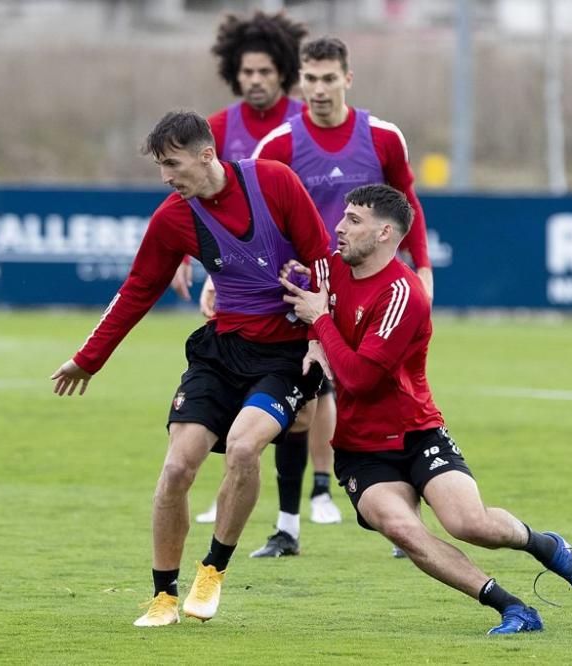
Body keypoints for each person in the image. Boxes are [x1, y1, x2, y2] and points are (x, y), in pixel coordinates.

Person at [280, 183, 572, 634]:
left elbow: (359, 378)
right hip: (358, 448)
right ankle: (513, 608)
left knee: (471, 524)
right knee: (402, 529)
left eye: (354, 220)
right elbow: (292, 283)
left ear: (385, 234)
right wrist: (307, 327)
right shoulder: (328, 270)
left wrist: (320, 322)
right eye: (343, 216)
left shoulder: (403, 294)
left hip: (415, 432)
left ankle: (546, 546)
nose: (339, 226)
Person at [51, 111, 331, 627]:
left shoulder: (273, 181)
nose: (165, 177)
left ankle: (213, 570)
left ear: (207, 155)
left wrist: (319, 339)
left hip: (283, 356)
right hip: (219, 351)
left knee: (245, 448)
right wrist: (88, 359)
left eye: (172, 164)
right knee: (178, 466)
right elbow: (137, 290)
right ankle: (162, 597)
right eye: (160, 166)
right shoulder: (172, 218)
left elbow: (321, 258)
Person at [245, 36, 439, 557]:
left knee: (392, 395)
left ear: (347, 79)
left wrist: (421, 266)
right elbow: (253, 220)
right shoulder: (280, 145)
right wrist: (227, 280)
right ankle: (288, 526)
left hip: (375, 294)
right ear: (299, 82)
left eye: (329, 78)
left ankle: (404, 521)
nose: (319, 88)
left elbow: (407, 204)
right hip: (308, 292)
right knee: (302, 405)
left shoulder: (382, 137)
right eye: (310, 78)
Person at [171, 9, 306, 302]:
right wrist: (180, 255)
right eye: (247, 72)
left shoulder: (307, 121)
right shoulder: (215, 128)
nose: (255, 80)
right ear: (235, 74)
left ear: (282, 72)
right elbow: (188, 188)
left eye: (265, 72)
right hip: (243, 266)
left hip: (301, 259)